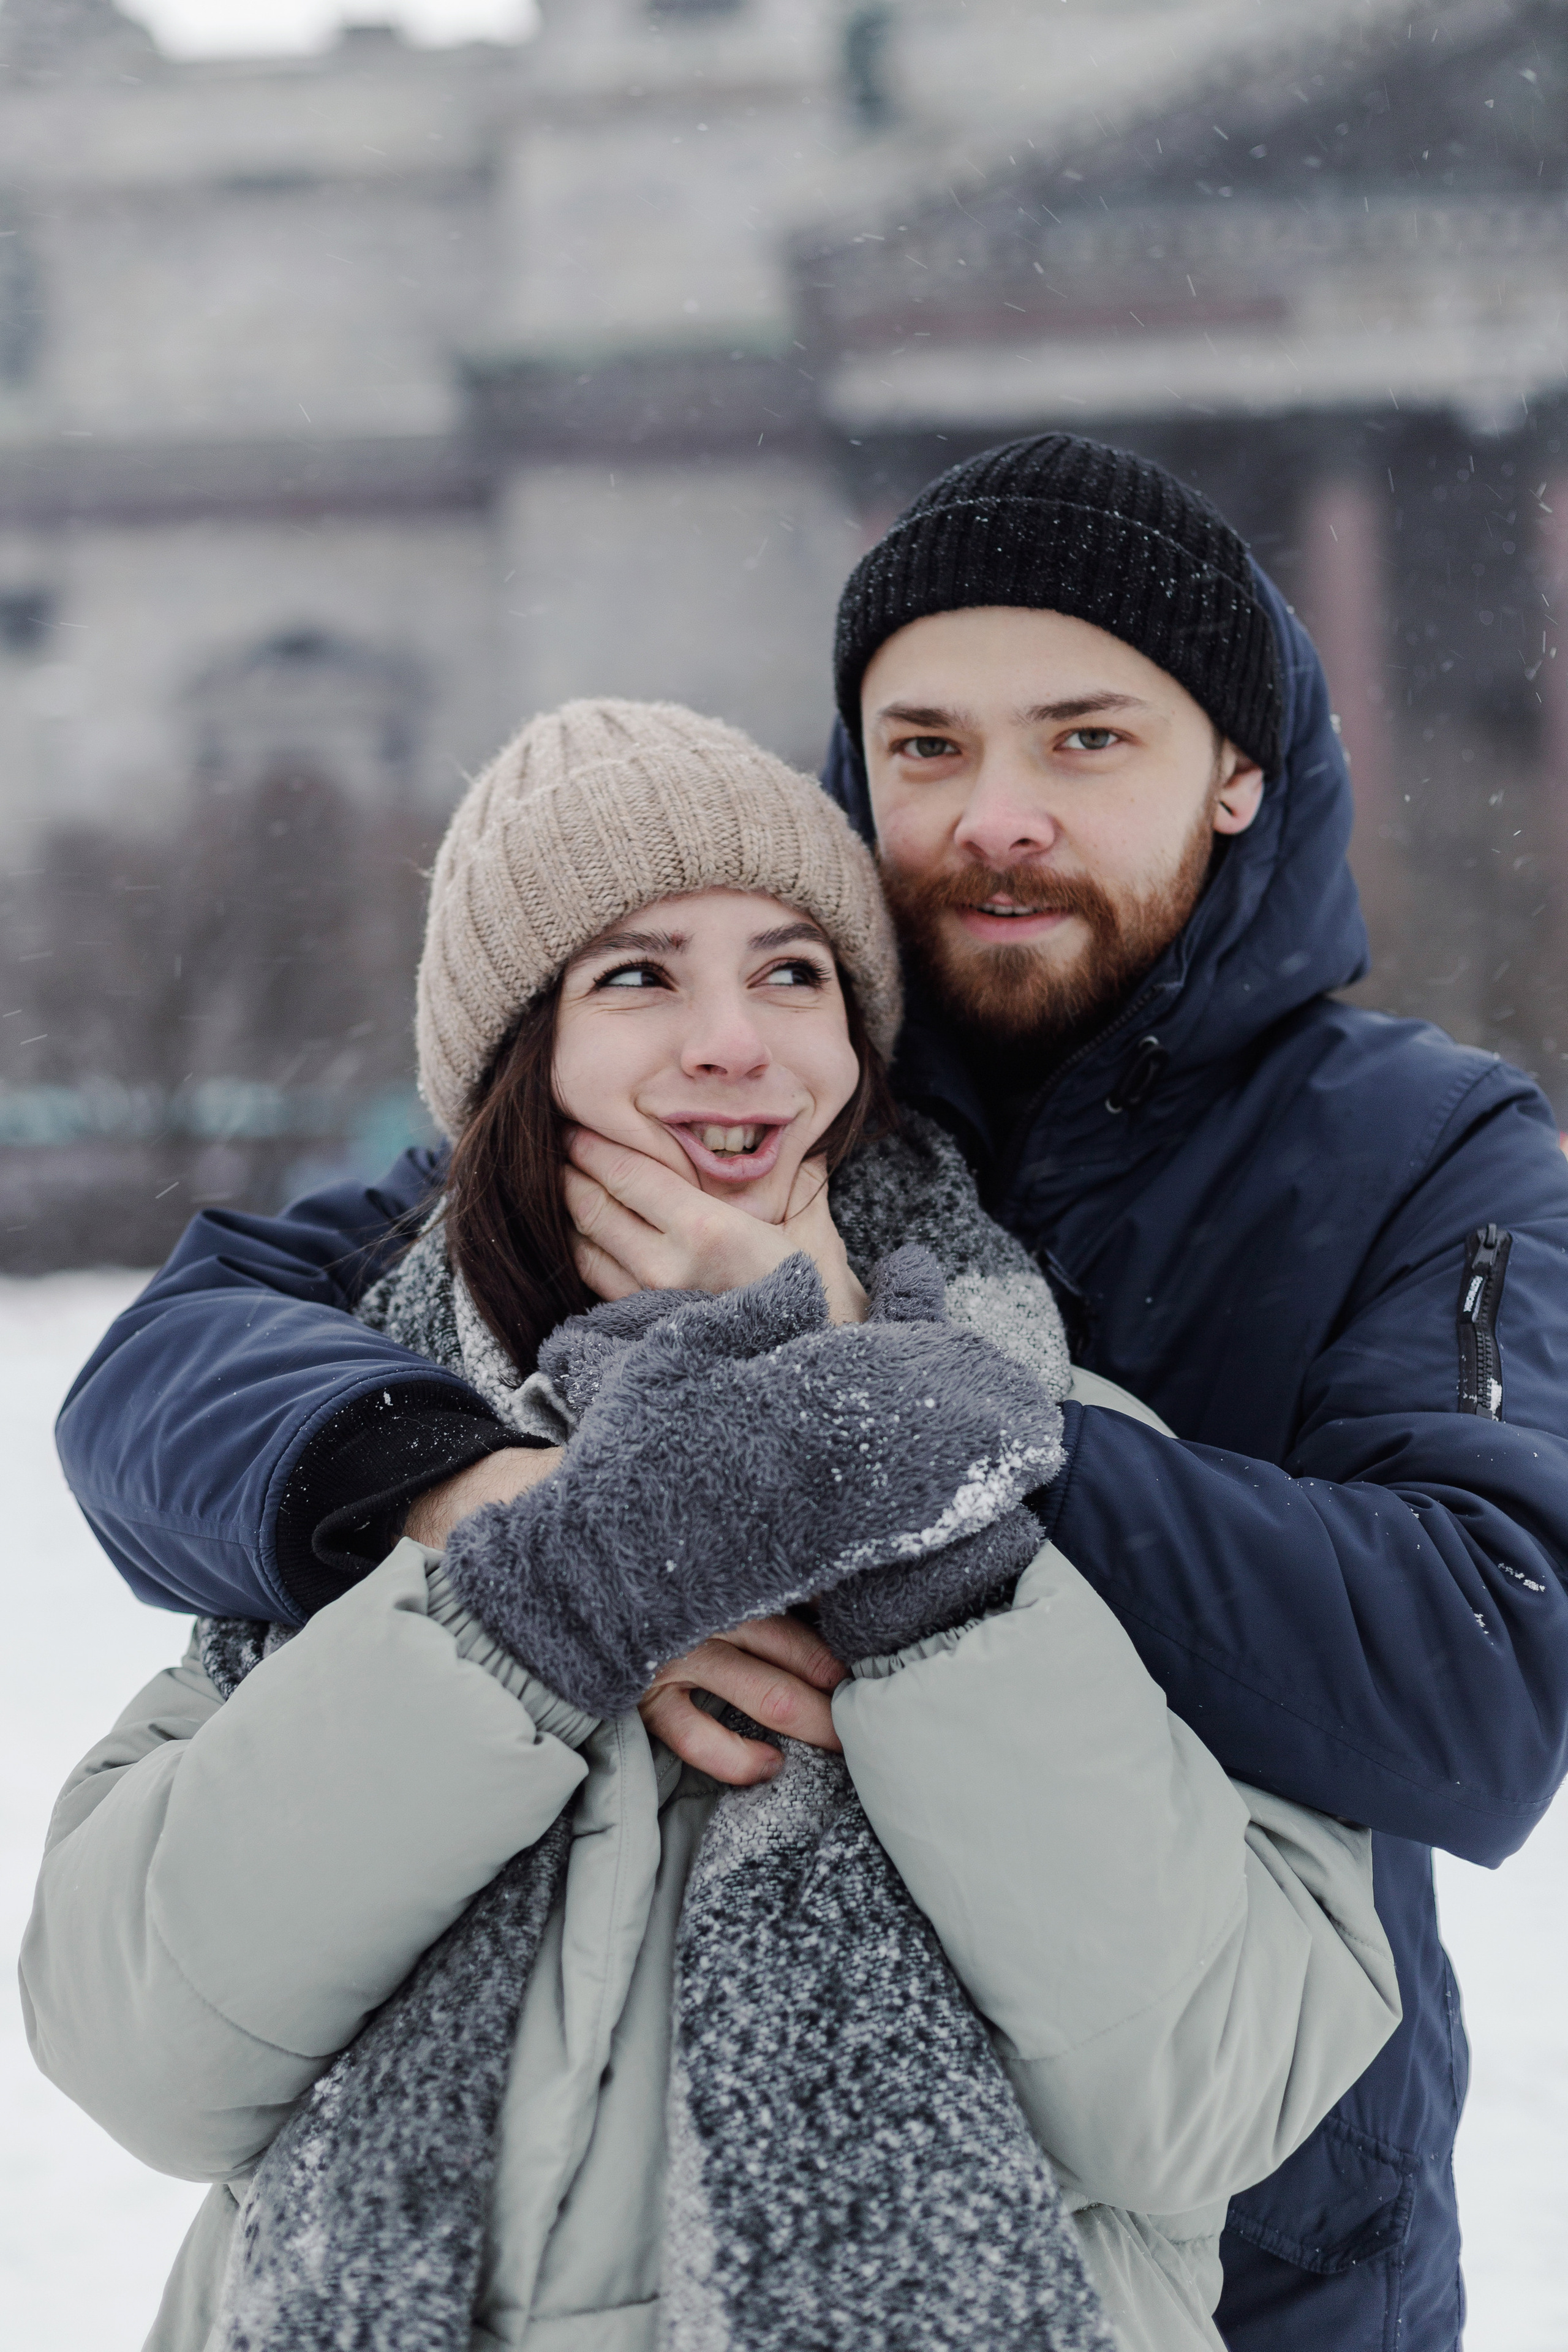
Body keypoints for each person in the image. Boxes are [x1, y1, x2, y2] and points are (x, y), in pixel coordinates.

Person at [53, 438, 1568, 2351]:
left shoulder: (1426, 1152)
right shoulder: (761, 1077)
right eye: (926, 747)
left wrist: (871, 1440)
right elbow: (193, 1346)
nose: (994, 814)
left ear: (1241, 771)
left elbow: (1478, 1674)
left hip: (1263, 2253)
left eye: (1084, 741)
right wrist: (486, 1508)